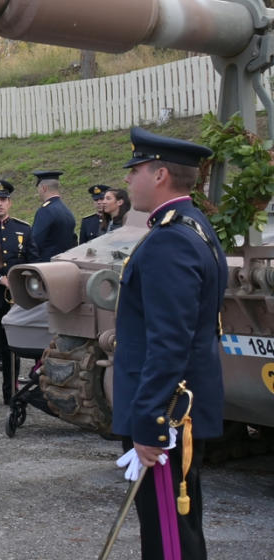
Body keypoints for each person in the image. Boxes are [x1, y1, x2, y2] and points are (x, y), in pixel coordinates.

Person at [113, 128, 226, 560]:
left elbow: (169, 342)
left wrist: (151, 424)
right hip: (175, 411)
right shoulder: (190, 226)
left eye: (136, 170)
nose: (129, 180)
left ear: (159, 174)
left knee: (169, 539)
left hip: (168, 415)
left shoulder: (171, 240)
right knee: (173, 529)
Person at [0, 180, 33, 405]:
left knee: (11, 349)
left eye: (3, 200)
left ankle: (11, 393)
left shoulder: (23, 229)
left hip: (15, 299)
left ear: (10, 202)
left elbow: (33, 259)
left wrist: (20, 280)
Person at [31, 170, 77, 261]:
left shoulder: (45, 211)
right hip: (65, 264)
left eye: (38, 188)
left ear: (44, 188)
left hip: (46, 268)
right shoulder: (67, 211)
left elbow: (35, 243)